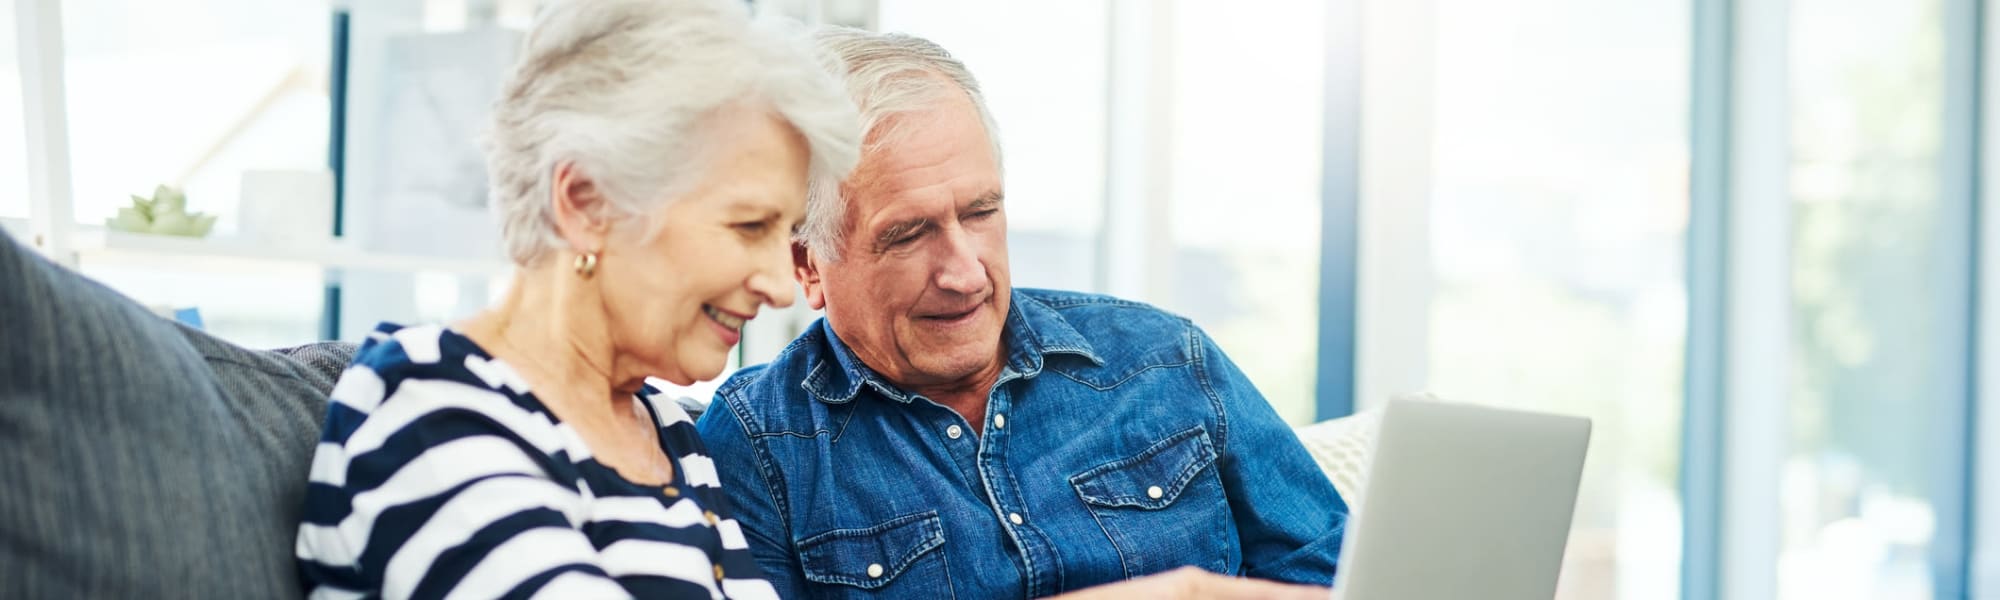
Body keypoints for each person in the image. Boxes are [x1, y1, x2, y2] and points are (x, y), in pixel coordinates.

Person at [696, 26, 1347, 599]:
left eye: (981, 213)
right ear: (807, 264)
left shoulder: (1165, 358)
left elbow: (1347, 578)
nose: (966, 273)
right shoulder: (760, 446)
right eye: (908, 234)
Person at [292, 0, 859, 597]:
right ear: (587, 204)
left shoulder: (662, 429)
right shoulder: (427, 406)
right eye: (749, 227)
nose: (778, 284)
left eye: (787, 230)